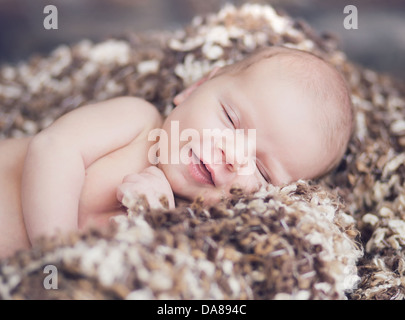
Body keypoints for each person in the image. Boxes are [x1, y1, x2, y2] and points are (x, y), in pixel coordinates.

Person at [0, 46, 353, 258]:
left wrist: (144, 221)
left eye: (261, 170)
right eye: (230, 119)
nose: (233, 155)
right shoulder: (138, 123)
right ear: (196, 87)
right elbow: (53, 149)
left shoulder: (188, 227)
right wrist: (56, 258)